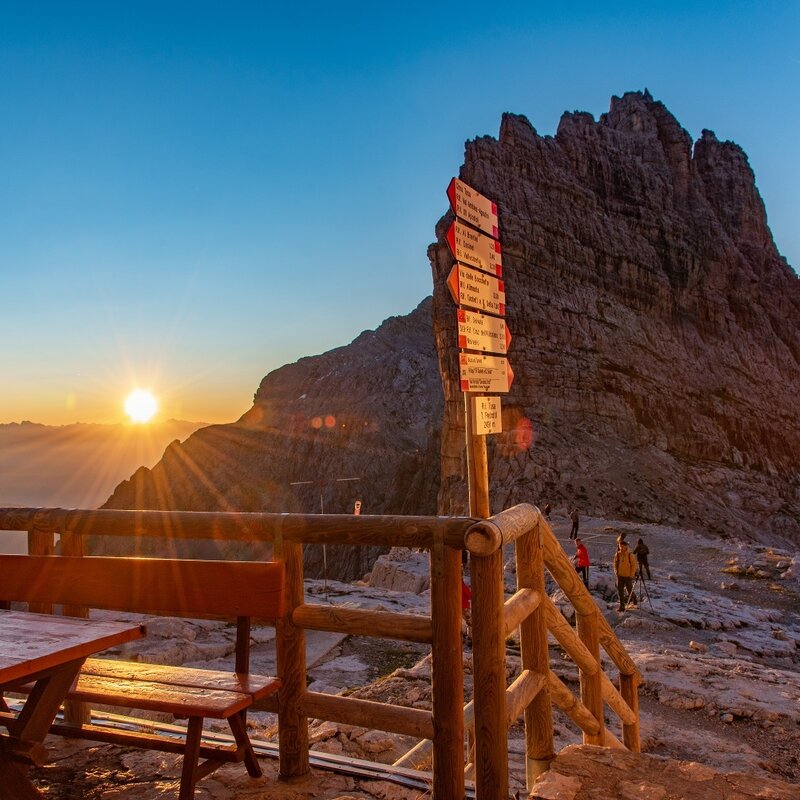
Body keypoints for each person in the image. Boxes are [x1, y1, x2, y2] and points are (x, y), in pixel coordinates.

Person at [613, 539, 638, 611]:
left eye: (622, 546)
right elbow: (615, 563)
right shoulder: (617, 554)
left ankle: (634, 599)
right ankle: (622, 606)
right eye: (620, 546)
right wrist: (616, 572)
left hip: (628, 576)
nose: (621, 548)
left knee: (629, 590)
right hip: (620, 576)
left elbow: (634, 565)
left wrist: (631, 575)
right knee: (620, 591)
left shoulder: (630, 555)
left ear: (626, 546)